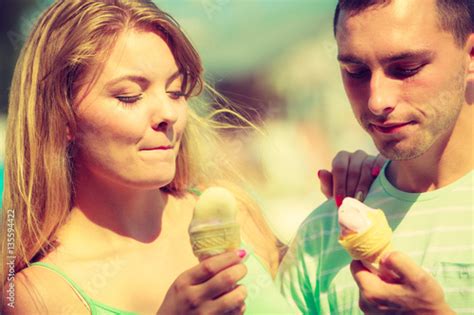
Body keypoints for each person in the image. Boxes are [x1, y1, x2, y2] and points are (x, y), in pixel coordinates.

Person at [0, 1, 381, 314]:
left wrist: (356, 203)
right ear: (62, 117)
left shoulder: (234, 214)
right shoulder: (38, 296)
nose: (168, 113)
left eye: (176, 91)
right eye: (130, 96)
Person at [277, 0, 473, 314]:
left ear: (471, 56)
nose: (377, 100)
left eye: (406, 69)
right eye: (355, 72)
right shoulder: (322, 234)